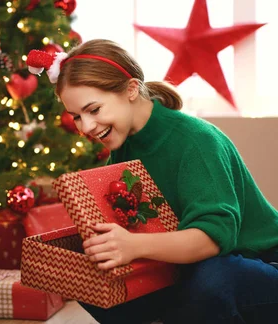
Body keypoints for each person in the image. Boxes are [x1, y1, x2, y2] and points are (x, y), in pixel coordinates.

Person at [26, 39, 278, 324]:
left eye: (94, 110)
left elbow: (213, 240)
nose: (86, 127)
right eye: (76, 117)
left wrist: (133, 246)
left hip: (260, 262)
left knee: (213, 280)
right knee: (94, 279)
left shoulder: (196, 141)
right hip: (192, 266)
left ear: (131, 90)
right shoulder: (124, 145)